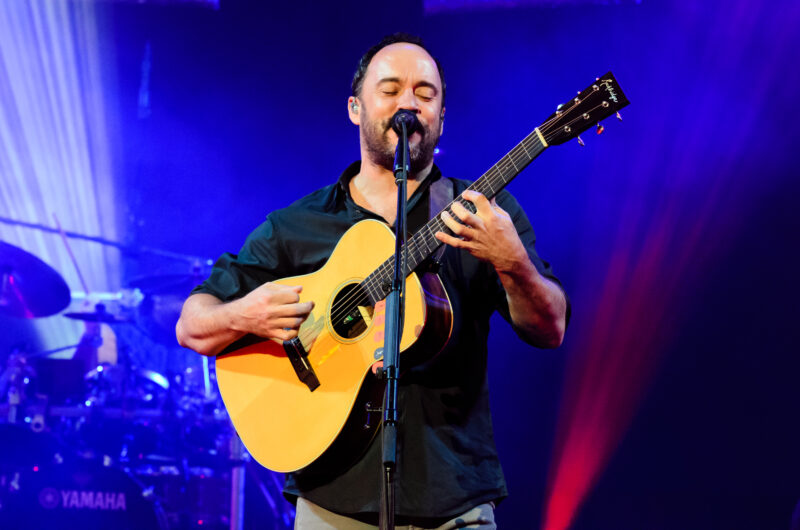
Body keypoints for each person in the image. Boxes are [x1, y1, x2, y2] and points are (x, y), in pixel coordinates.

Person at [177, 33, 568, 529]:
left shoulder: (483, 213)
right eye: (390, 89)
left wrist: (513, 262)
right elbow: (192, 325)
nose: (408, 103)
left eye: (425, 93)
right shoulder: (299, 224)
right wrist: (244, 314)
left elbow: (550, 328)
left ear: (441, 117)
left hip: (454, 501)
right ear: (355, 108)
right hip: (330, 500)